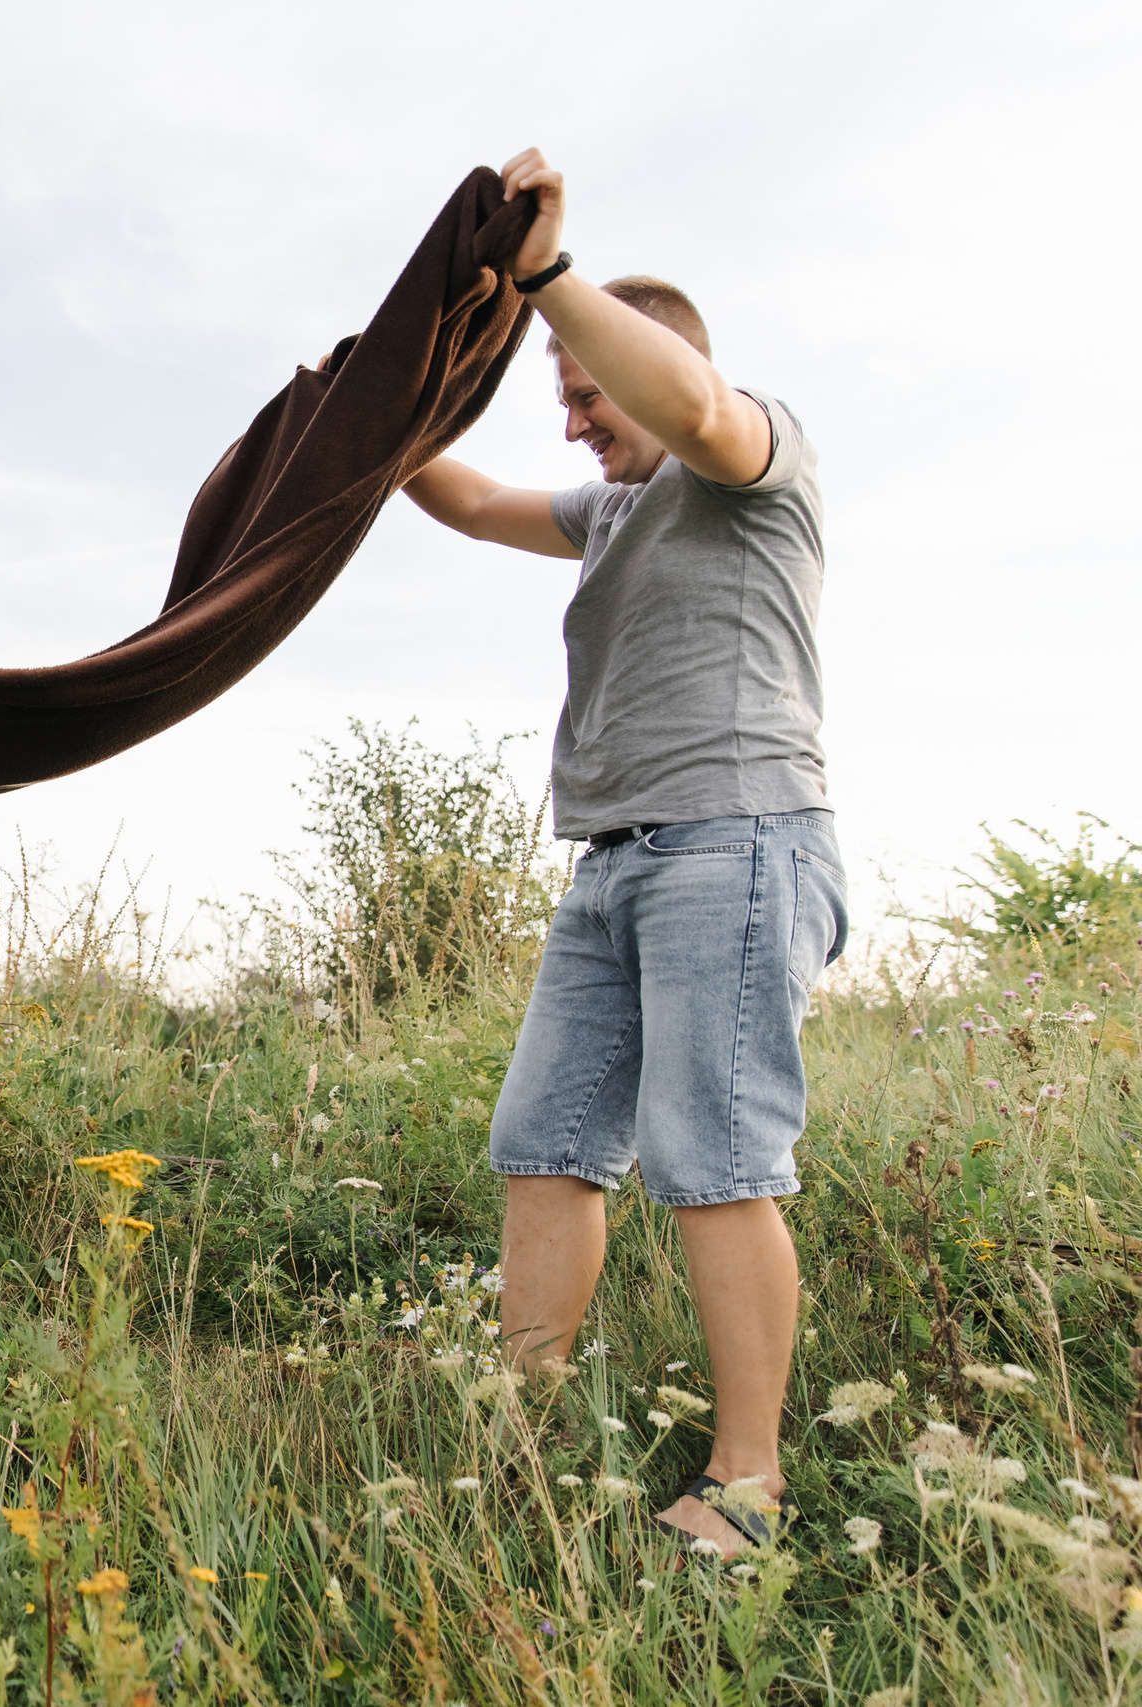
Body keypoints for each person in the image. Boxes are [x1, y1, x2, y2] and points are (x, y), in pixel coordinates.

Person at [401, 148, 846, 1558]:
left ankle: (750, 1481)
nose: (580, 421)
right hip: (610, 865)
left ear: (647, 359)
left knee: (711, 1156)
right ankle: (515, 1430)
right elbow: (467, 501)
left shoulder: (751, 451)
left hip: (737, 838)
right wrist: (359, 417)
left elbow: (690, 403)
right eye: (567, 402)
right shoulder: (606, 516)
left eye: (590, 392)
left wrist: (546, 281)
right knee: (544, 1141)